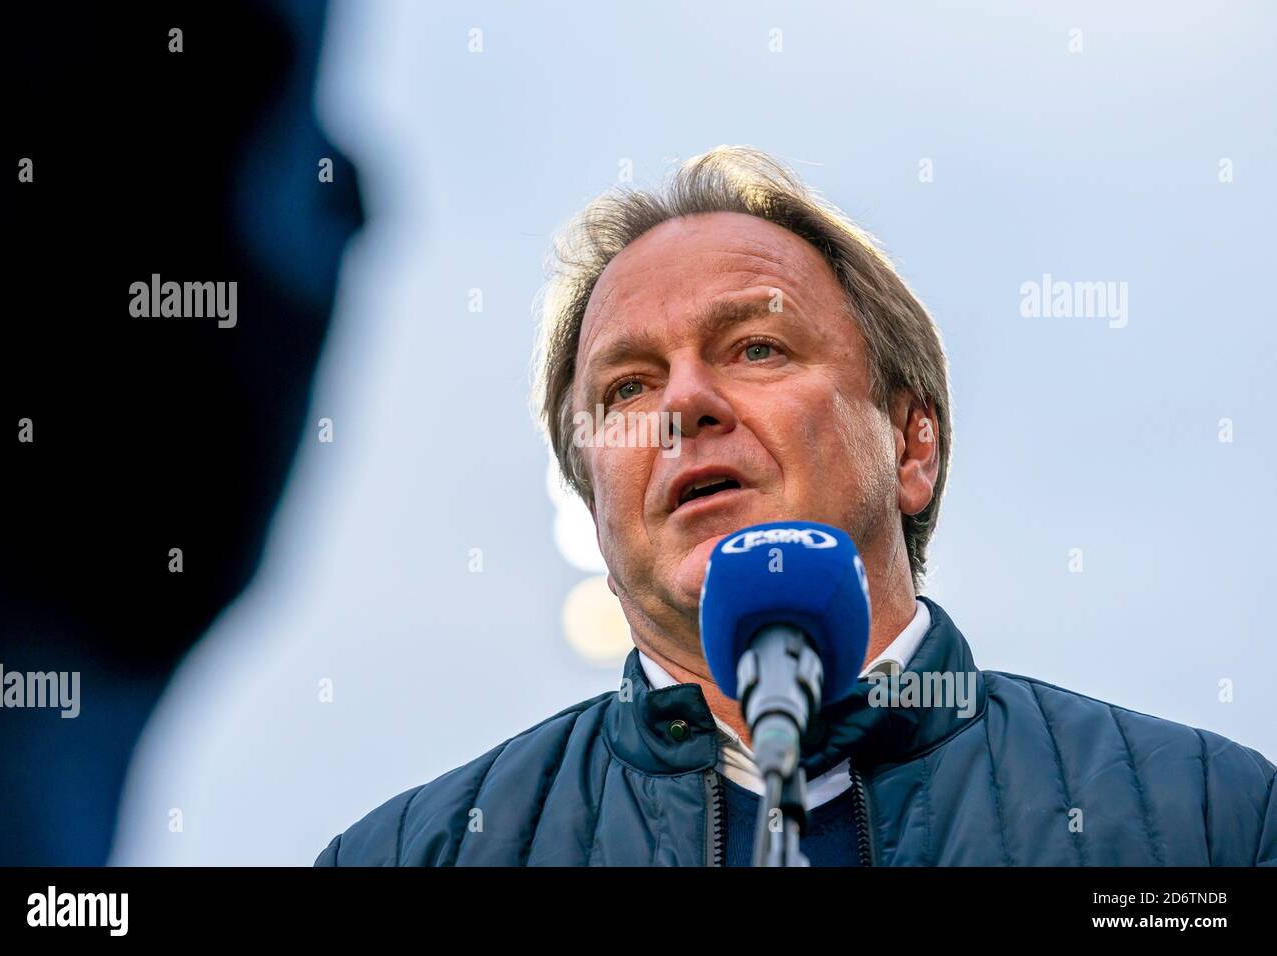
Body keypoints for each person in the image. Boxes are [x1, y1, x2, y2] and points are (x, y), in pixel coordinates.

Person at [316, 146, 1275, 866]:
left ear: (911, 445)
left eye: (756, 349)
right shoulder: (408, 856)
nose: (684, 404)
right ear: (595, 513)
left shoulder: (1204, 823)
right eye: (628, 389)